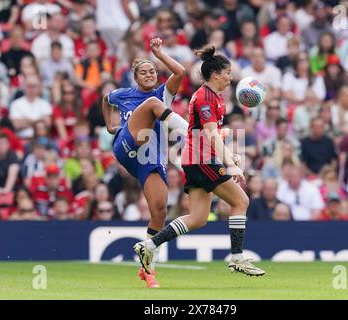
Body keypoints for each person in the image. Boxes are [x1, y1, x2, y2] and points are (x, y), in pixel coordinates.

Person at [133, 45, 265, 278]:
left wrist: (228, 156)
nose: (230, 76)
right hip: (202, 160)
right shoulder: (205, 97)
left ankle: (150, 245)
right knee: (241, 200)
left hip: (198, 160)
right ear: (215, 74)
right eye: (227, 72)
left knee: (198, 218)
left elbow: (209, 134)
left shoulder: (215, 97)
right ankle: (237, 258)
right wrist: (231, 164)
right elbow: (211, 134)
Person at [102, 37, 188, 288]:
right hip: (126, 145)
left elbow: (181, 71)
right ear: (136, 77)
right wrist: (110, 125)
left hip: (148, 161)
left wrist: (159, 54)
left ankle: (148, 269)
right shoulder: (126, 95)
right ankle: (192, 133)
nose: (150, 74)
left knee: (160, 211)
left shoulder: (164, 93)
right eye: (144, 72)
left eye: (152, 71)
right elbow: (106, 99)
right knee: (151, 104)